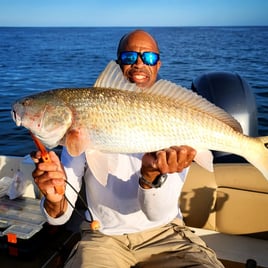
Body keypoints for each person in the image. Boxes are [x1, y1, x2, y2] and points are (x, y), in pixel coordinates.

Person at [32, 30, 224, 267]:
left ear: (158, 64)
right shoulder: (78, 129)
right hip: (103, 237)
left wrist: (151, 178)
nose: (139, 64)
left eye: (149, 58)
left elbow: (156, 214)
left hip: (166, 233)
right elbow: (59, 217)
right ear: (118, 63)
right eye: (129, 57)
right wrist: (53, 197)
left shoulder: (176, 118)